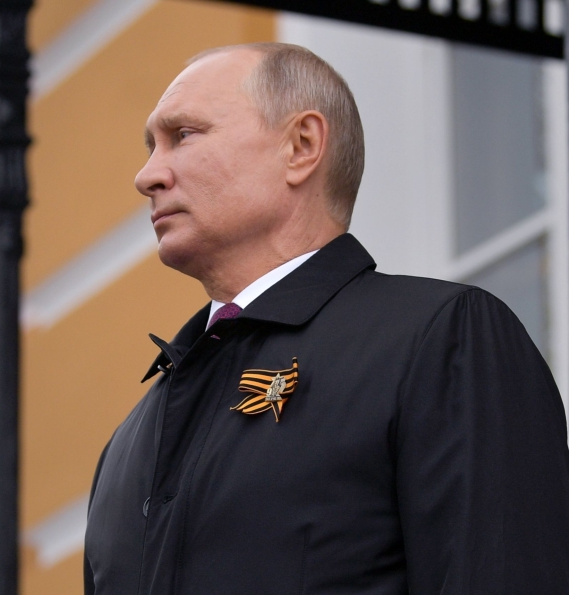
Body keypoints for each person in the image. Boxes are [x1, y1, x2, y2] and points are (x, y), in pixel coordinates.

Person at [83, 43, 569, 594]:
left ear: (301, 145)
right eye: (151, 146)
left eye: (183, 135)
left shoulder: (441, 340)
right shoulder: (127, 444)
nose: (147, 175)